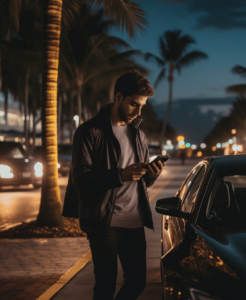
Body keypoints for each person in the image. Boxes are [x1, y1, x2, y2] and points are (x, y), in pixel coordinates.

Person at [62, 70, 166, 300]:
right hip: (103, 222)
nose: (138, 111)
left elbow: (139, 183)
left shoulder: (138, 134)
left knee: (137, 283)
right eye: (133, 104)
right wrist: (121, 175)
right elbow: (80, 178)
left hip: (134, 221)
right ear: (118, 97)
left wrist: (152, 174)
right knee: (105, 286)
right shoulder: (90, 131)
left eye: (142, 106)